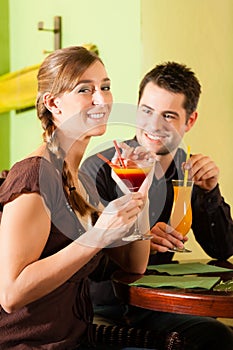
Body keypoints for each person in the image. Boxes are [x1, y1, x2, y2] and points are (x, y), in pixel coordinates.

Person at [0, 46, 152, 349]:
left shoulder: (79, 182)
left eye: (105, 87)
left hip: (80, 339)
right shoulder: (35, 177)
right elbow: (11, 294)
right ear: (53, 103)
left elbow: (134, 265)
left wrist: (138, 194)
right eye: (85, 89)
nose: (102, 99)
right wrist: (96, 236)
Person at [81, 62, 233, 350]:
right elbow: (87, 265)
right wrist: (137, 245)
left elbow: (223, 249)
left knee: (219, 336)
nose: (153, 125)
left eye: (169, 116)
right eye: (146, 111)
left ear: (189, 121)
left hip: (159, 307)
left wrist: (211, 192)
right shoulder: (98, 170)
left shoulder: (188, 172)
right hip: (102, 310)